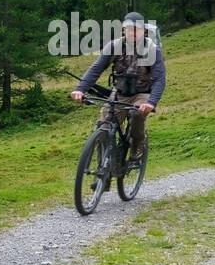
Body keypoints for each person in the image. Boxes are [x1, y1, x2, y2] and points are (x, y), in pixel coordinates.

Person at [69, 12, 165, 160]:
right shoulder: (114, 46)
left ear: (144, 31)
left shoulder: (152, 50)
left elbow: (159, 79)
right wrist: (80, 89)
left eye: (137, 29)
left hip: (142, 93)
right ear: (123, 30)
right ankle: (104, 168)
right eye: (129, 28)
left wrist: (151, 102)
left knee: (137, 114)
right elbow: (96, 69)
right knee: (105, 125)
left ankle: (137, 144)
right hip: (119, 92)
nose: (133, 32)